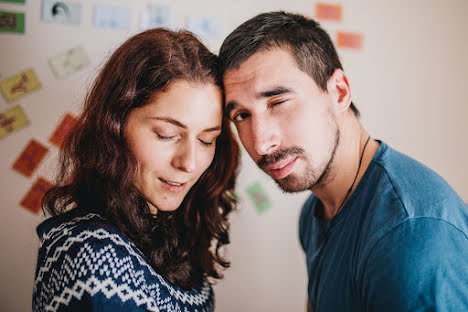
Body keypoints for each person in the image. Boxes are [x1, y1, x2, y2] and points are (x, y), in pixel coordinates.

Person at [219, 11, 468, 312]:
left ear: (339, 92)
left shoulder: (410, 233)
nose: (260, 143)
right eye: (242, 116)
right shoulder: (315, 211)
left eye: (278, 102)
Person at [33, 28, 239, 311]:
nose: (189, 163)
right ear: (115, 126)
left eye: (207, 139)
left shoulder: (171, 228)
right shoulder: (94, 252)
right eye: (166, 134)